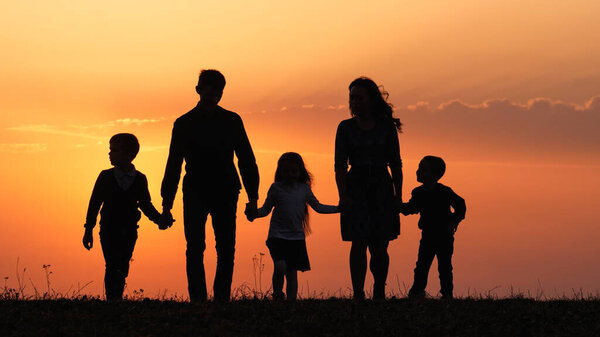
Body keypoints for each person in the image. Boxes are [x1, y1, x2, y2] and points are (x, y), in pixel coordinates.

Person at [161, 69, 260, 302]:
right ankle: (198, 299)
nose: (211, 98)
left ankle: (222, 298)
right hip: (195, 189)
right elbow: (173, 164)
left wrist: (253, 196)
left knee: (226, 247)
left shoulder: (232, 121)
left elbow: (246, 159)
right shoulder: (183, 123)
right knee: (195, 247)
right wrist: (167, 204)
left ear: (221, 94)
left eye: (216, 94)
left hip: (226, 190)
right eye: (208, 93)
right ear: (198, 91)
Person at [334, 77, 403, 300]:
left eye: (359, 97)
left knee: (380, 244)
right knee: (358, 241)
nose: (354, 102)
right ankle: (358, 293)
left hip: (382, 186)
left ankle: (379, 289)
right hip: (357, 187)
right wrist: (343, 195)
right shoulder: (345, 128)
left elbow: (396, 164)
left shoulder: (386, 128)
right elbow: (340, 166)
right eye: (351, 98)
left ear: (371, 100)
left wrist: (398, 196)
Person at [82, 133, 166, 301]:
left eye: (114, 150)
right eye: (110, 150)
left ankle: (116, 298)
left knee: (123, 264)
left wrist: (160, 220)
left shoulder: (140, 179)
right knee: (112, 264)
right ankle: (113, 300)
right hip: (108, 229)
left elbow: (145, 204)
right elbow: (94, 203)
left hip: (129, 230)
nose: (110, 154)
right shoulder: (105, 177)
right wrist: (88, 229)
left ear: (128, 154)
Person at [247, 152, 338, 301]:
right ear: (280, 172)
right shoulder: (275, 188)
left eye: (294, 171)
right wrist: (254, 214)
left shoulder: (304, 189)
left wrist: (338, 209)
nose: (290, 174)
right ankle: (277, 295)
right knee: (280, 267)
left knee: (291, 272)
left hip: (296, 238)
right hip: (277, 236)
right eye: (286, 171)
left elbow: (318, 207)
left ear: (300, 172)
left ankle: (291, 302)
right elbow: (265, 209)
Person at [399, 155, 466, 299]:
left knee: (444, 266)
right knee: (422, 265)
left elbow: (460, 204)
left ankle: (447, 293)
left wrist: (454, 221)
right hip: (428, 234)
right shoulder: (418, 193)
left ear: (435, 175)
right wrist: (398, 206)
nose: (418, 172)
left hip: (444, 235)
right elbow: (411, 208)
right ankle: (417, 291)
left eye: (423, 170)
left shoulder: (445, 192)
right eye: (419, 168)